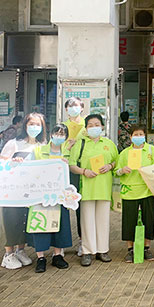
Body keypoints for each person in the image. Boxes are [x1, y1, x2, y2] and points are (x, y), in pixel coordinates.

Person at [0, 113, 47, 270]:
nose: (34, 127)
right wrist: (11, 162)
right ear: (25, 125)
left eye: (38, 124)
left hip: (31, 191)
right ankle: (8, 254)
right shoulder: (14, 143)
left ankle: (20, 250)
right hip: (13, 190)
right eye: (31, 124)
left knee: (25, 219)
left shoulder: (42, 144)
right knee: (11, 218)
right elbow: (0, 163)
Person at [68, 114, 118, 266]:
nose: (94, 127)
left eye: (97, 124)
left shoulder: (109, 143)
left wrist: (109, 166)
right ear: (86, 128)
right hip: (87, 188)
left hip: (104, 187)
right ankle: (87, 251)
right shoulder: (80, 144)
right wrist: (84, 171)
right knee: (87, 221)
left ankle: (103, 250)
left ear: (102, 126)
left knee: (103, 221)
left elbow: (116, 161)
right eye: (90, 125)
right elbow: (71, 165)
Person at [30, 123, 73, 272]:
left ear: (66, 137)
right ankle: (40, 258)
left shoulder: (67, 153)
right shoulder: (38, 151)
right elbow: (30, 169)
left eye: (62, 134)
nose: (59, 136)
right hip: (42, 194)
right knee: (40, 223)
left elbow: (72, 170)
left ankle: (57, 255)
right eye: (57, 133)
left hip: (60, 195)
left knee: (59, 224)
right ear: (51, 134)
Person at [114, 125, 154, 262]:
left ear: (145, 136)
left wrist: (148, 170)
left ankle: (146, 248)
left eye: (141, 134)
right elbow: (116, 171)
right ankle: (130, 249)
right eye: (135, 135)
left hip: (147, 190)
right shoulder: (125, 153)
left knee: (148, 220)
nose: (138, 137)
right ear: (131, 137)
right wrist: (122, 170)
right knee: (129, 221)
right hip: (130, 191)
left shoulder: (152, 150)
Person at [63, 96, 87, 256]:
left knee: (81, 207)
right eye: (70, 106)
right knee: (62, 205)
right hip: (64, 170)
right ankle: (61, 244)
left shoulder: (87, 125)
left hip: (81, 169)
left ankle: (82, 241)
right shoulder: (62, 127)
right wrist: (67, 145)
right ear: (66, 110)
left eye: (76, 105)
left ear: (82, 108)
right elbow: (55, 146)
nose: (73, 108)